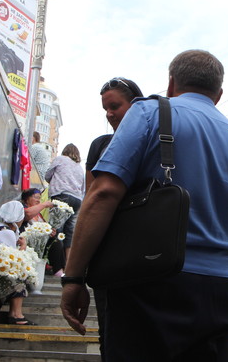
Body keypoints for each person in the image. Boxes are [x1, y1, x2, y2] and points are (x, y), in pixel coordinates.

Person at [61, 50, 228, 361]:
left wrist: (74, 276)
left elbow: (103, 193)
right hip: (219, 291)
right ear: (219, 94)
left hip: (149, 283)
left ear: (171, 83)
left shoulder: (148, 113)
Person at [84, 76, 144, 360]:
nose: (109, 114)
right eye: (106, 109)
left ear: (136, 105)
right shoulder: (99, 145)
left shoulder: (157, 141)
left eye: (115, 106)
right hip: (108, 250)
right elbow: (90, 199)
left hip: (146, 249)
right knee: (109, 332)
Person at [0, 200, 30, 325]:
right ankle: (16, 314)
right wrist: (23, 247)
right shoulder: (7, 232)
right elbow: (14, 261)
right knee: (20, 276)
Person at [44, 144, 85, 256]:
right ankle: (67, 265)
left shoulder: (60, 159)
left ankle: (56, 265)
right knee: (69, 232)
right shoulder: (79, 167)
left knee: (56, 229)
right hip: (77, 199)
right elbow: (82, 187)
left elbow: (47, 175)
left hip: (61, 196)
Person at [19, 188, 66, 279]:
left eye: (40, 198)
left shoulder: (38, 214)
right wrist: (44, 204)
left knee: (56, 239)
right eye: (36, 197)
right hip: (28, 241)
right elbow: (27, 215)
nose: (38, 200)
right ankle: (58, 270)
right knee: (54, 242)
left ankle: (60, 269)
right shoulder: (22, 208)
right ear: (27, 199)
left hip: (40, 242)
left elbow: (45, 227)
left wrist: (50, 231)